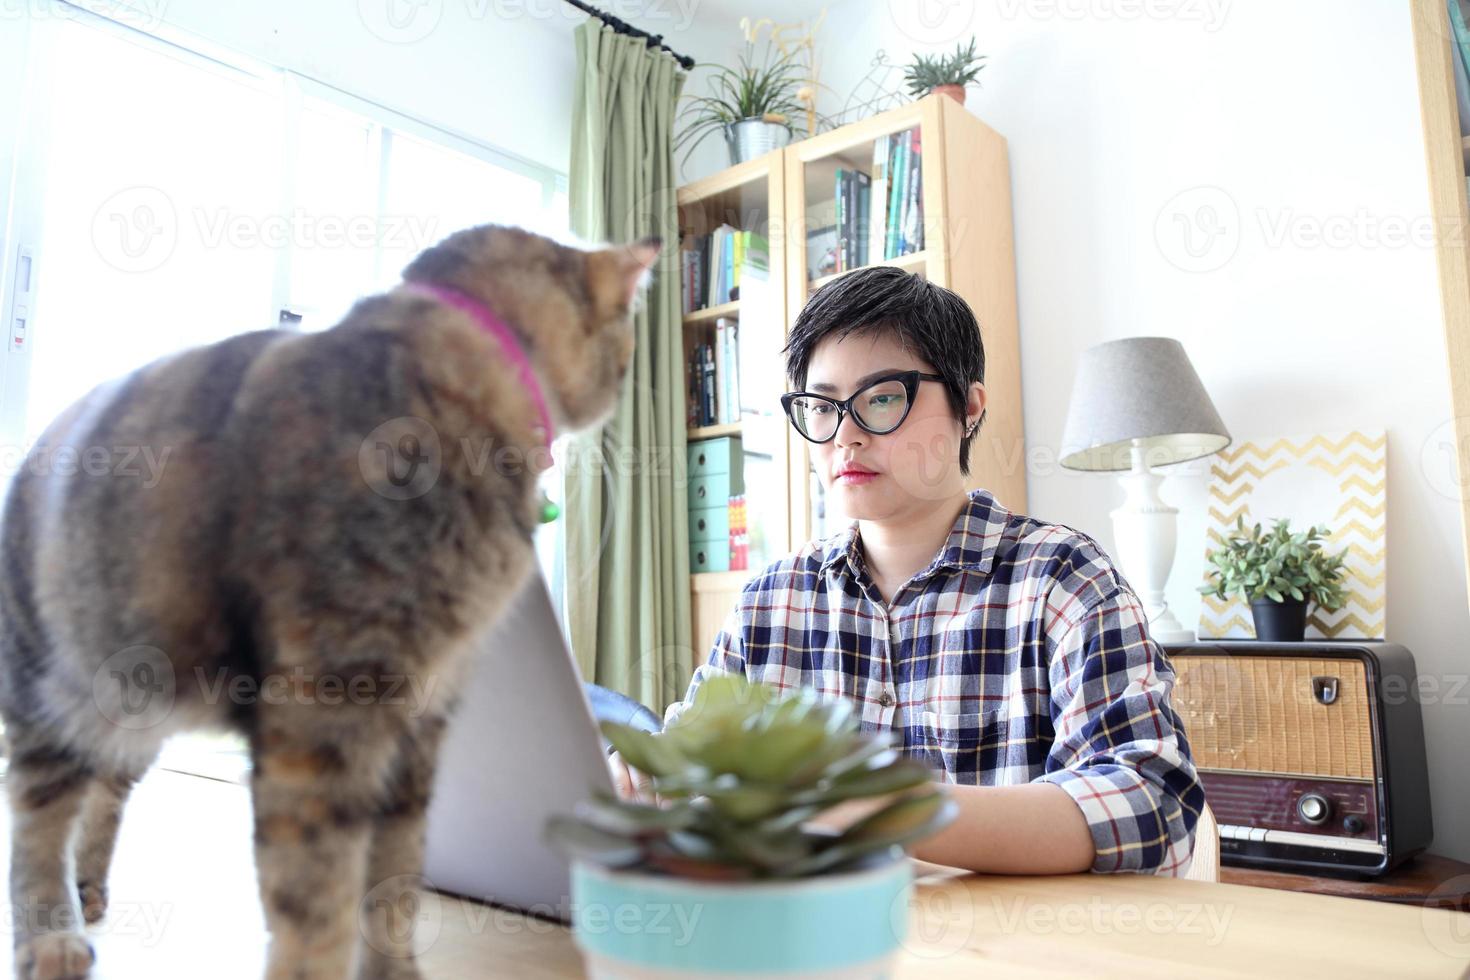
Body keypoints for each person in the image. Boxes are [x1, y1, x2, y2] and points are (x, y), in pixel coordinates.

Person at [613, 266, 1204, 875]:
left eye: (884, 398)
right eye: (821, 407)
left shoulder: (1060, 579)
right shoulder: (772, 601)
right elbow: (683, 766)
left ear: (968, 407)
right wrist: (640, 773)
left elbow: (1152, 800)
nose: (845, 435)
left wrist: (890, 809)